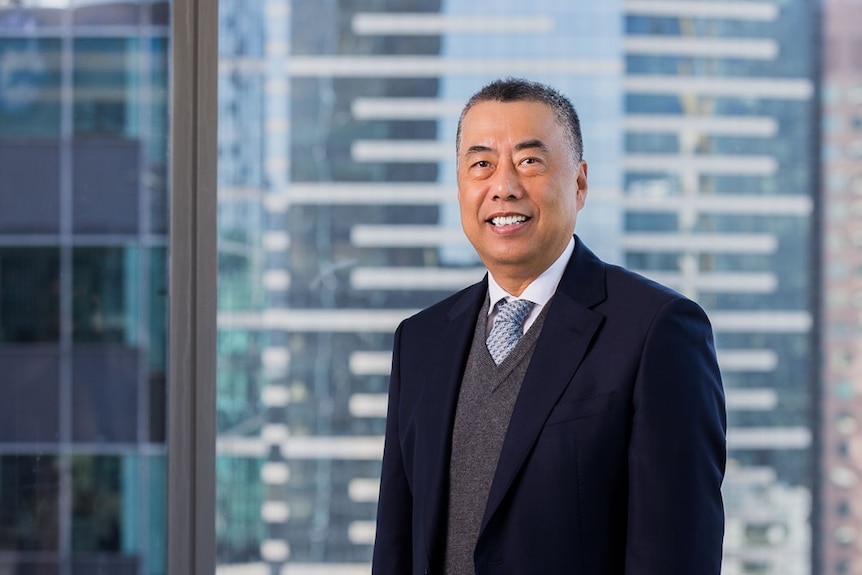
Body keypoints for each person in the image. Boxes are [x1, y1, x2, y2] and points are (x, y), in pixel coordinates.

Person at [371, 78, 726, 575]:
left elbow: (676, 556)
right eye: (481, 165)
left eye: (529, 161)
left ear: (579, 183)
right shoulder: (421, 341)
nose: (504, 185)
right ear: (459, 187)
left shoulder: (656, 331)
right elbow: (395, 547)